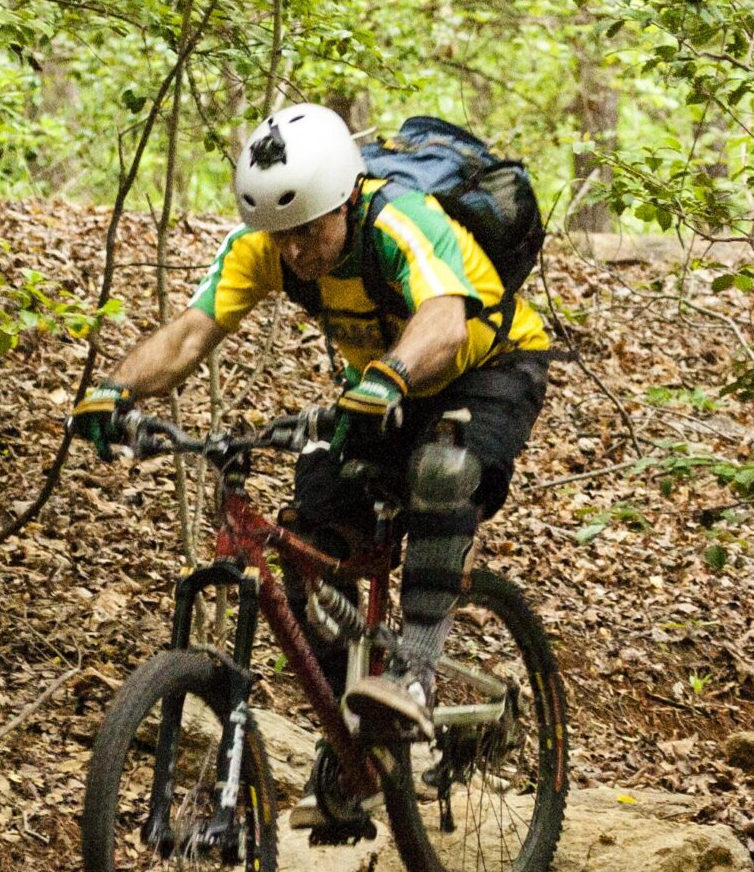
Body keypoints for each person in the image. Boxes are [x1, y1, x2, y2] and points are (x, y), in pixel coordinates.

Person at [67, 101, 554, 755]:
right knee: (304, 543)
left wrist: (390, 378)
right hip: (386, 386)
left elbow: (442, 319)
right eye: (279, 235)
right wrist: (114, 390)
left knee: (443, 469)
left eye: (308, 231)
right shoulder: (265, 247)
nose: (293, 251)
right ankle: (351, 739)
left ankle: (412, 673)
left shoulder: (400, 221)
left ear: (347, 200)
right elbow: (188, 335)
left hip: (488, 365)